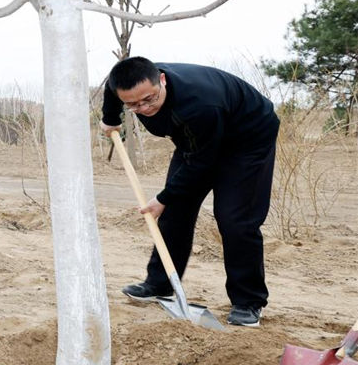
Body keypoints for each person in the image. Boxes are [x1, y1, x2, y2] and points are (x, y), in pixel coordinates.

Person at [100, 57, 280, 327]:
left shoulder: (200, 103)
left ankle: (248, 301)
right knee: (175, 212)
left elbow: (203, 164)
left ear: (161, 80)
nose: (144, 108)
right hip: (196, 140)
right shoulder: (127, 86)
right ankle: (159, 284)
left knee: (235, 219)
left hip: (246, 140)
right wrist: (110, 119)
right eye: (133, 105)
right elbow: (111, 94)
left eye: (149, 99)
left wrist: (163, 197)